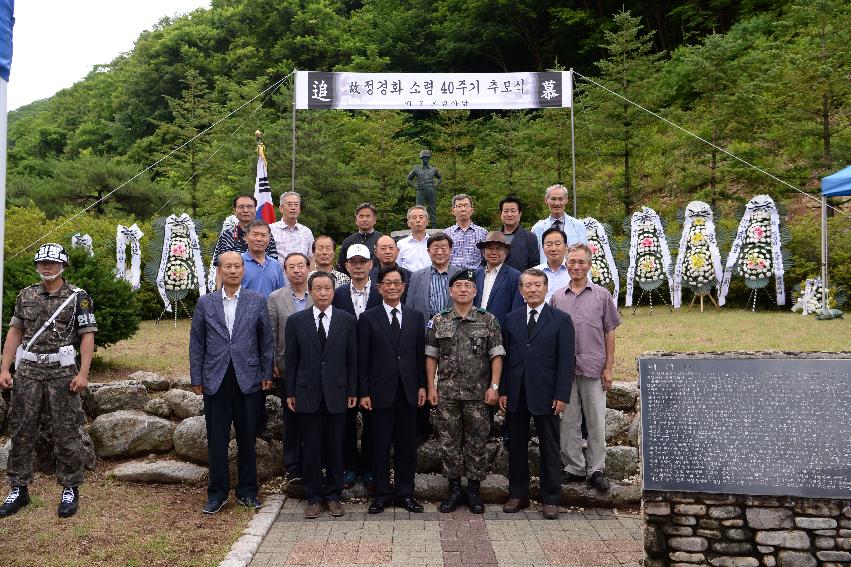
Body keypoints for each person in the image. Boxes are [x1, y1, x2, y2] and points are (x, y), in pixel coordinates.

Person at [0, 244, 97, 519]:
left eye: (52, 262)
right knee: (21, 431)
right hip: (28, 372)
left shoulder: (79, 297)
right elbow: (15, 332)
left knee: (67, 432)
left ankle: (70, 487)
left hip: (62, 374)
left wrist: (84, 374)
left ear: (63, 265)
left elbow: (87, 336)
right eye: (42, 262)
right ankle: (19, 488)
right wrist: (5, 368)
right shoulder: (26, 295)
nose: (47, 267)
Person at [189, 251, 274, 514]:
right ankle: (217, 493)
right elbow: (197, 342)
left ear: (243, 270)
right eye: (228, 267)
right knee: (217, 439)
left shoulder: (256, 301)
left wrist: (265, 373)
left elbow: (266, 341)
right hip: (215, 379)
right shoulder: (206, 303)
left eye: (238, 266)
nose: (233, 271)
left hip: (247, 378)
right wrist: (197, 376)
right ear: (219, 271)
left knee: (248, 437)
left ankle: (248, 491)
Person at [425, 270, 504, 514]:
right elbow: (431, 356)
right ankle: (453, 488)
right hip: (447, 394)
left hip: (479, 395)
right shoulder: (439, 320)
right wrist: (430, 386)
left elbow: (496, 355)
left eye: (468, 285)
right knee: (449, 443)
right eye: (457, 285)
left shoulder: (487, 319)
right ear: (450, 291)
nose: (462, 289)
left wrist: (494, 387)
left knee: (477, 442)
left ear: (475, 291)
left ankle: (473, 490)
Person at [500, 268, 575, 519]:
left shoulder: (561, 320)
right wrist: (503, 391)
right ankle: (517, 495)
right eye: (527, 286)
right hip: (517, 393)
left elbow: (566, 361)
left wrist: (562, 395)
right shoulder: (510, 319)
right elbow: (506, 357)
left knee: (550, 447)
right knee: (516, 447)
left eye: (537, 285)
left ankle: (551, 498)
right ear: (521, 291)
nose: (533, 290)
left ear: (546, 288)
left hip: (547, 393)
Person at [284, 272, 358, 519]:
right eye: (318, 288)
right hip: (307, 393)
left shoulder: (347, 321)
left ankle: (334, 495)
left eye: (327, 288)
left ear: (333, 291)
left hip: (337, 393)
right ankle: (314, 496)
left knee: (336, 447)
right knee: (312, 448)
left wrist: (352, 390)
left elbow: (352, 361)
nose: (323, 293)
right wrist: (291, 392)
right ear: (310, 291)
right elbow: (292, 361)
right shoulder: (296, 321)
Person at [550, 244, 622, 492]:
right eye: (572, 262)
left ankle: (596, 469)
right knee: (569, 420)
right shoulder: (558, 297)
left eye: (581, 262)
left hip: (594, 366)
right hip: (566, 369)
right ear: (566, 264)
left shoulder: (602, 295)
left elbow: (610, 331)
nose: (577, 267)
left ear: (589, 264)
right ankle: (573, 467)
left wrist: (609, 367)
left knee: (595, 421)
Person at [357, 266, 426, 514]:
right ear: (380, 287)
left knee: (407, 446)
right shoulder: (368, 318)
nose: (393, 287)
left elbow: (420, 357)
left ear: (403, 287)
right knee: (379, 446)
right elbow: (362, 359)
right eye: (388, 283)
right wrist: (363, 391)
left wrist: (421, 386)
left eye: (397, 283)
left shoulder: (416, 317)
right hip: (378, 393)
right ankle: (382, 494)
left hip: (408, 391)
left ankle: (406, 493)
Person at [333, 244, 381, 490]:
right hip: (345, 365)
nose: (359, 266)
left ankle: (371, 468)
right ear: (347, 265)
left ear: (371, 264)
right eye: (354, 262)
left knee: (373, 421)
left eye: (363, 261)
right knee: (347, 420)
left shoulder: (383, 293)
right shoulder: (338, 294)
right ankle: (349, 466)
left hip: (375, 365)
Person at [268, 252, 314, 485]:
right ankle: (293, 466)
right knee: (291, 417)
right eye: (291, 267)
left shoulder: (319, 293)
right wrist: (273, 362)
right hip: (288, 368)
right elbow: (272, 334)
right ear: (285, 271)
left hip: (316, 368)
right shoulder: (276, 297)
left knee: (313, 417)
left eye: (300, 266)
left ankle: (314, 463)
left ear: (309, 268)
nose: (296, 270)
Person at [211, 195, 279, 279]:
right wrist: (219, 291)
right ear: (235, 210)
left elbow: (273, 263)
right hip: (232, 286)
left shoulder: (265, 234)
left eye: (250, 207)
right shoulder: (227, 235)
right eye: (241, 207)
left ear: (255, 209)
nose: (245, 210)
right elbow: (219, 267)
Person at [473, 231, 524, 328]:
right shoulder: (476, 275)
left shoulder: (515, 276)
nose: (494, 252)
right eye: (490, 248)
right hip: (476, 329)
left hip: (501, 330)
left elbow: (517, 309)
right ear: (483, 252)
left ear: (506, 252)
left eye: (499, 248)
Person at [406, 233, 461, 321]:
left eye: (443, 248)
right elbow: (409, 306)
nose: (439, 252)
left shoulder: (460, 274)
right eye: (435, 249)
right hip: (425, 327)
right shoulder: (416, 276)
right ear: (428, 251)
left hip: (454, 328)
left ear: (450, 250)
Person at [531, 184, 588, 264]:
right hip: (546, 274)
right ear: (546, 200)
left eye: (560, 199)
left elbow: (585, 255)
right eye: (553, 199)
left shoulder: (578, 225)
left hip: (571, 274)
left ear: (566, 200)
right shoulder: (537, 229)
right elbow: (534, 258)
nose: (557, 203)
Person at [240, 220, 285, 299]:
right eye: (255, 235)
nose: (259, 239)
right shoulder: (238, 263)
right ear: (246, 238)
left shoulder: (276, 265)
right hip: (244, 310)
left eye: (263, 235)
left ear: (269, 240)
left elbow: (281, 295)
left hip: (270, 310)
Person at [269, 191, 314, 267]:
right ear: (281, 208)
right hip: (278, 277)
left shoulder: (307, 232)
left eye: (296, 204)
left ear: (299, 209)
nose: (293, 208)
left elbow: (312, 258)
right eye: (289, 204)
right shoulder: (270, 230)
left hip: (302, 278)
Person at [444, 194, 488, 270]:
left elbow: (487, 257)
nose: (463, 209)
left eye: (466, 205)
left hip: (475, 276)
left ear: (472, 210)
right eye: (459, 206)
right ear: (453, 211)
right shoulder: (446, 234)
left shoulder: (483, 233)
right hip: (452, 276)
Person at [337, 203, 382, 274]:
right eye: (361, 216)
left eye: (368, 216)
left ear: (374, 220)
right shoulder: (348, 242)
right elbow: (342, 268)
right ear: (356, 220)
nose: (364, 219)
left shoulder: (382, 240)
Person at [499, 196, 540, 272]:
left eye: (513, 211)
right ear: (501, 214)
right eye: (506, 211)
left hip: (521, 281)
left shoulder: (530, 237)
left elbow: (534, 265)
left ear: (520, 214)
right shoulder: (494, 236)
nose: (509, 214)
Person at [369, 235, 412, 303]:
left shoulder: (410, 276)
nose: (387, 252)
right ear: (376, 253)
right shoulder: (368, 278)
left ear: (397, 251)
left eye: (391, 248)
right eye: (383, 248)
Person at [406, 149, 442, 228]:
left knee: (432, 208)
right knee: (418, 209)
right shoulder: (416, 169)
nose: (426, 159)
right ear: (421, 158)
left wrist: (435, 187)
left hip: (431, 190)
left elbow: (440, 178)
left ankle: (433, 226)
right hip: (421, 191)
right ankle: (418, 225)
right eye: (424, 158)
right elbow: (408, 179)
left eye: (427, 158)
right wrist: (415, 187)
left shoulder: (433, 169)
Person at [535, 227, 570, 303]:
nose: (553, 248)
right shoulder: (534, 273)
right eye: (549, 244)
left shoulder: (576, 271)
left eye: (557, 244)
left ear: (566, 247)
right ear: (542, 247)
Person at [397, 205, 432, 272]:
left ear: (427, 222)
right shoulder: (401, 244)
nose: (418, 220)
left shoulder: (433, 243)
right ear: (408, 223)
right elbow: (398, 267)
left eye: (421, 217)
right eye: (414, 218)